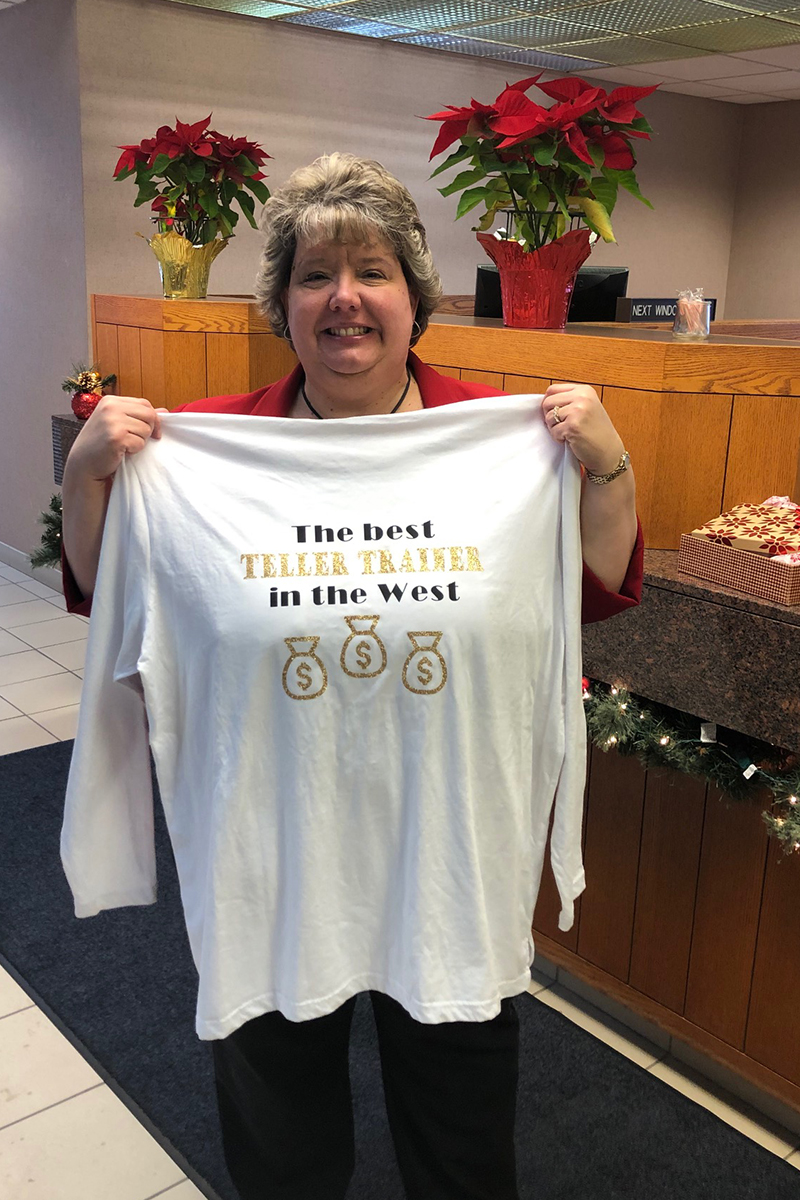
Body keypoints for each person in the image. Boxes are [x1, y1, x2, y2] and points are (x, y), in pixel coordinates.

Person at [61, 153, 642, 1200]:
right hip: (270, 844)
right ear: (281, 306)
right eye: (312, 275)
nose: (343, 297)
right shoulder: (207, 450)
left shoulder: (507, 442)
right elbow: (114, 600)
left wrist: (604, 464)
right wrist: (88, 473)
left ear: (412, 300)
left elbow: (595, 582)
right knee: (281, 1134)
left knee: (460, 1131)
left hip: (450, 843)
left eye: (369, 269)